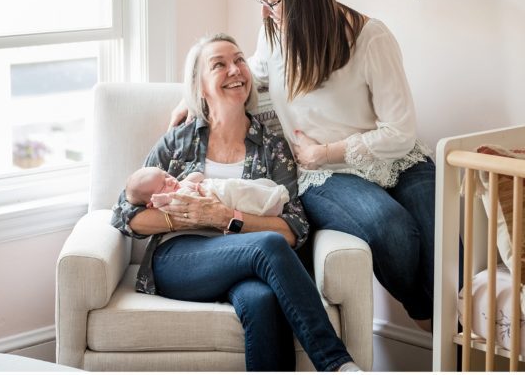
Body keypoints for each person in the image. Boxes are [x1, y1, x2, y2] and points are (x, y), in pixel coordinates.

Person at [171, 0, 435, 331]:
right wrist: (193, 98)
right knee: (391, 228)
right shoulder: (272, 34)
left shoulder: (370, 37)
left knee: (443, 238)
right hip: (324, 173)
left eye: (272, 1)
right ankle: (429, 318)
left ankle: (458, 342)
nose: (263, 11)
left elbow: (399, 131)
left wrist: (326, 149)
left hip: (394, 157)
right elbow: (253, 76)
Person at [112, 32, 361, 372]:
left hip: (246, 261)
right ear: (200, 86)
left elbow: (294, 229)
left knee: (262, 300)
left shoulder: (272, 145)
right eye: (219, 65)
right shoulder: (178, 141)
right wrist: (190, 218)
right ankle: (337, 365)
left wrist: (228, 217)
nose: (235, 70)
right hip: (181, 259)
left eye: (239, 60)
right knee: (268, 246)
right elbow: (125, 215)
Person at [125, 165, 290, 216]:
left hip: (221, 187)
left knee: (243, 187)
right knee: (242, 196)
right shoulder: (172, 199)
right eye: (163, 185)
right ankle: (268, 203)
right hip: (223, 198)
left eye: (166, 175)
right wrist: (162, 200)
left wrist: (188, 180)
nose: (170, 180)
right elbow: (123, 212)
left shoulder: (180, 184)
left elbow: (198, 175)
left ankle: (270, 195)